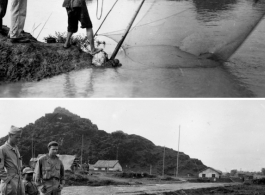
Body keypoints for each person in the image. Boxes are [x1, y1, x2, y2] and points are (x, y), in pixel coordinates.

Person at [0, 125, 25, 195]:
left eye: (19, 138)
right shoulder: (2, 149)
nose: (18, 140)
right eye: (16, 137)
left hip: (19, 181)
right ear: (10, 135)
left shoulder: (16, 148)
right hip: (9, 183)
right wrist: (8, 180)